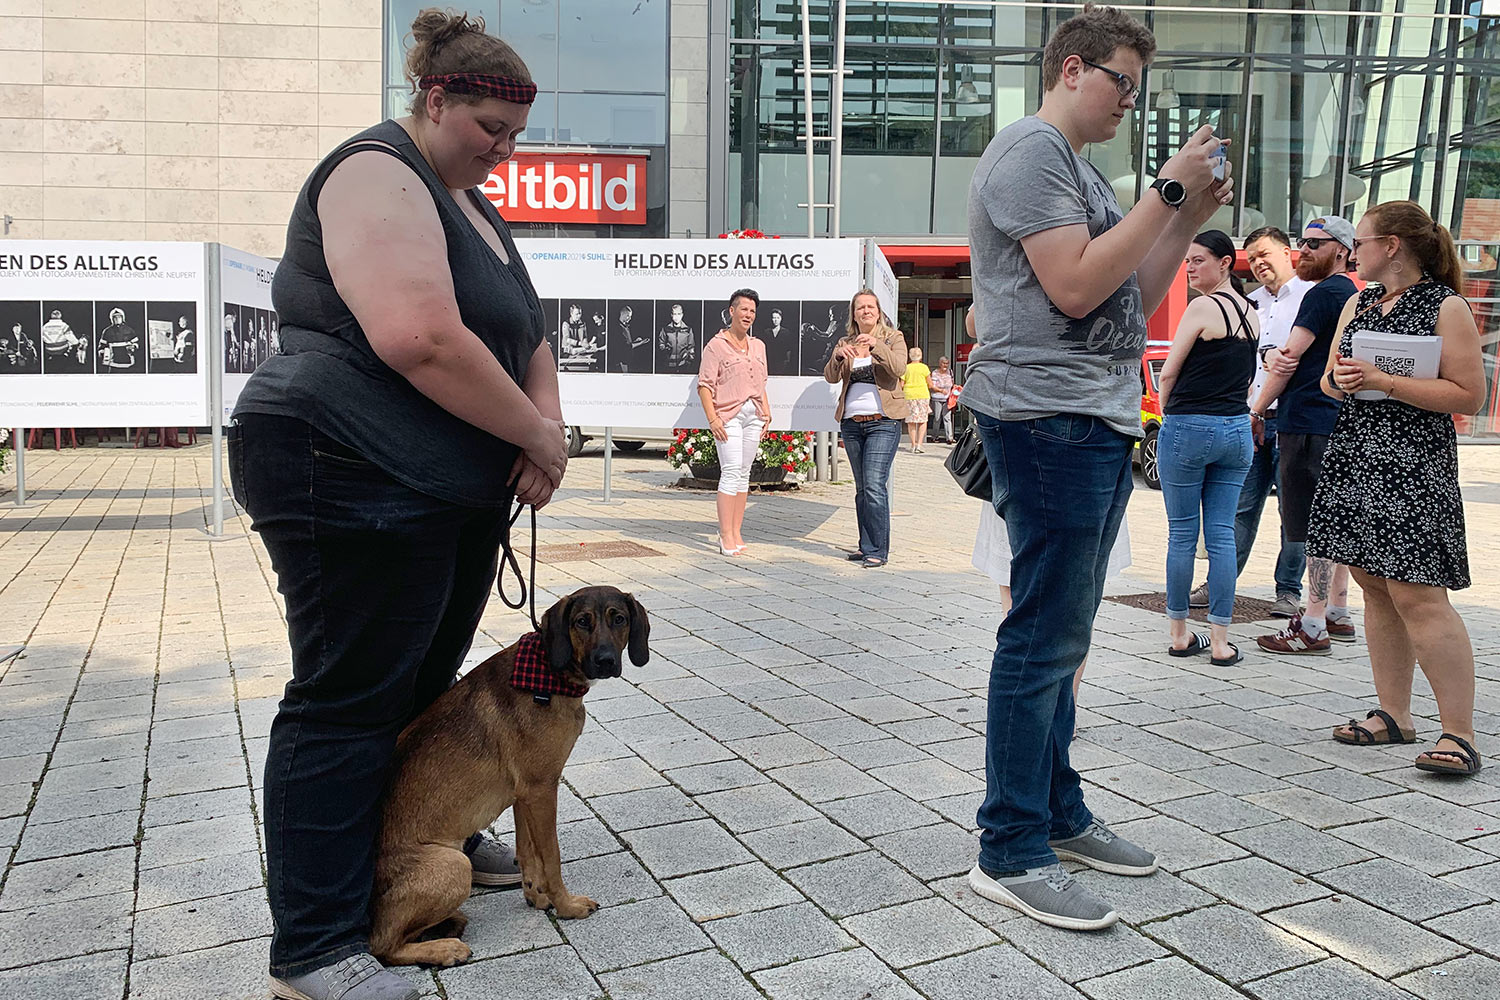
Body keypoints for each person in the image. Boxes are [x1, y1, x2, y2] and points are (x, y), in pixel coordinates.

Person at [226, 11, 567, 1000]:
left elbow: (528, 334)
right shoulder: (377, 171)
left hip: (436, 486)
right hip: (345, 461)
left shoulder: (472, 205)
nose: (504, 152)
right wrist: (537, 437)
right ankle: (314, 947)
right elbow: (419, 334)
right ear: (434, 97)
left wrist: (542, 421)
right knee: (347, 699)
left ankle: (420, 835)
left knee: (419, 692)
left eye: (516, 136)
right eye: (490, 130)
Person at [963, 4, 1231, 930]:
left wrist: (1184, 216)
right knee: (1042, 637)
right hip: (1048, 419)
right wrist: (1166, 189)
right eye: (1122, 82)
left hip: (1092, 417)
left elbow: (1131, 295)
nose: (1130, 101)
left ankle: (1057, 813)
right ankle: (1009, 847)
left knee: (1063, 637)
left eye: (1136, 88)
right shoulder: (1030, 151)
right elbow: (1075, 287)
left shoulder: (1077, 167)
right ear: (1072, 69)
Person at [1314, 201, 1486, 776]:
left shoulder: (1446, 305)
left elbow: (1469, 395)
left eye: (1360, 243)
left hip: (1413, 464)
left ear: (1391, 246)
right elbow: (1327, 379)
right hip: (1358, 456)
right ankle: (1394, 713)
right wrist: (1341, 379)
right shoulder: (1359, 302)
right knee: (1373, 585)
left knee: (1419, 594)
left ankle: (1459, 733)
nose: (1352, 253)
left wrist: (1386, 381)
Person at [1190, 226, 1311, 616]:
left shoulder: (1310, 299)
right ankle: (1219, 582)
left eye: (1265, 254)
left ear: (1287, 253)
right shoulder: (1248, 304)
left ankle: (1288, 591)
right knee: (1238, 507)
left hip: (1292, 422)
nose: (1259, 263)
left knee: (1292, 512)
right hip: (1247, 421)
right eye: (1253, 257)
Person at [1252, 218, 1359, 656]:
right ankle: (1338, 610)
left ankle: (1311, 624)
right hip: (1334, 420)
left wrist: (1257, 409)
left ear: (1342, 251)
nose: (1305, 250)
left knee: (1315, 525)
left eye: (1315, 243)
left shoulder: (1323, 294)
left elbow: (1289, 358)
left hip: (1307, 421)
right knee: (1334, 519)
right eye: (1303, 242)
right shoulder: (1353, 295)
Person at [1157, 231, 1259, 664]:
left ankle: (1180, 634)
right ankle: (1220, 642)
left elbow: (1168, 372)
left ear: (1225, 262)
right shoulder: (1251, 313)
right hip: (1236, 429)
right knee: (1221, 535)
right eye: (1188, 261)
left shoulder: (1202, 307)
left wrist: (1167, 412)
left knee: (1182, 533)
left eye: (1198, 260)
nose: (1190, 268)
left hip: (1190, 425)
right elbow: (1249, 379)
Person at [824, 288, 908, 569]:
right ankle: (866, 546)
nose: (866, 311)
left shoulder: (893, 338)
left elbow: (899, 368)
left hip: (883, 422)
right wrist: (838, 356)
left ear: (879, 311)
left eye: (870, 306)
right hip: (851, 423)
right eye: (860, 307)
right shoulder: (845, 341)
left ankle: (878, 550)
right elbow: (830, 377)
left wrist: (876, 345)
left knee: (874, 485)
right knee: (862, 489)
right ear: (854, 314)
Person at [697, 288, 771, 556]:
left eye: (752, 311)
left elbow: (761, 383)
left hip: (754, 415)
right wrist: (713, 419)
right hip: (728, 415)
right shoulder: (716, 346)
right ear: (732, 311)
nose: (748, 315)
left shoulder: (759, 346)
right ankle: (725, 534)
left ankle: (736, 531)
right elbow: (704, 386)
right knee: (730, 472)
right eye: (744, 309)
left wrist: (766, 412)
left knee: (744, 473)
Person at [902, 346, 933, 452]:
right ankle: (919, 444)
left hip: (909, 395)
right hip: (922, 394)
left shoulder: (906, 368)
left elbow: (902, 384)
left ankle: (913, 445)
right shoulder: (924, 367)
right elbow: (930, 383)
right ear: (921, 356)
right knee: (922, 420)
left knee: (911, 421)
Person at [657, 302, 696, 373]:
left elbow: (691, 347)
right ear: (671, 315)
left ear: (682, 315)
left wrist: (690, 359)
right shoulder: (665, 329)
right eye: (674, 314)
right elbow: (661, 343)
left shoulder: (688, 330)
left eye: (678, 314)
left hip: (684, 365)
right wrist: (664, 349)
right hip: (668, 365)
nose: (676, 317)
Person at [763, 306, 797, 375]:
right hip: (769, 361)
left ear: (781, 319)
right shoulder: (766, 332)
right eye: (774, 318)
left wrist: (787, 361)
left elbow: (789, 348)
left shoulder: (786, 332)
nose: (776, 320)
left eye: (777, 318)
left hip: (782, 362)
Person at [929, 355, 955, 442]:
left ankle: (949, 438)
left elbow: (952, 384)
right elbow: (932, 386)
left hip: (947, 399)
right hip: (937, 398)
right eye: (944, 363)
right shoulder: (935, 373)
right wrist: (941, 390)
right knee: (937, 418)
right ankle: (935, 436)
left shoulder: (950, 372)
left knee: (947, 418)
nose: (945, 365)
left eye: (947, 363)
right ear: (940, 363)